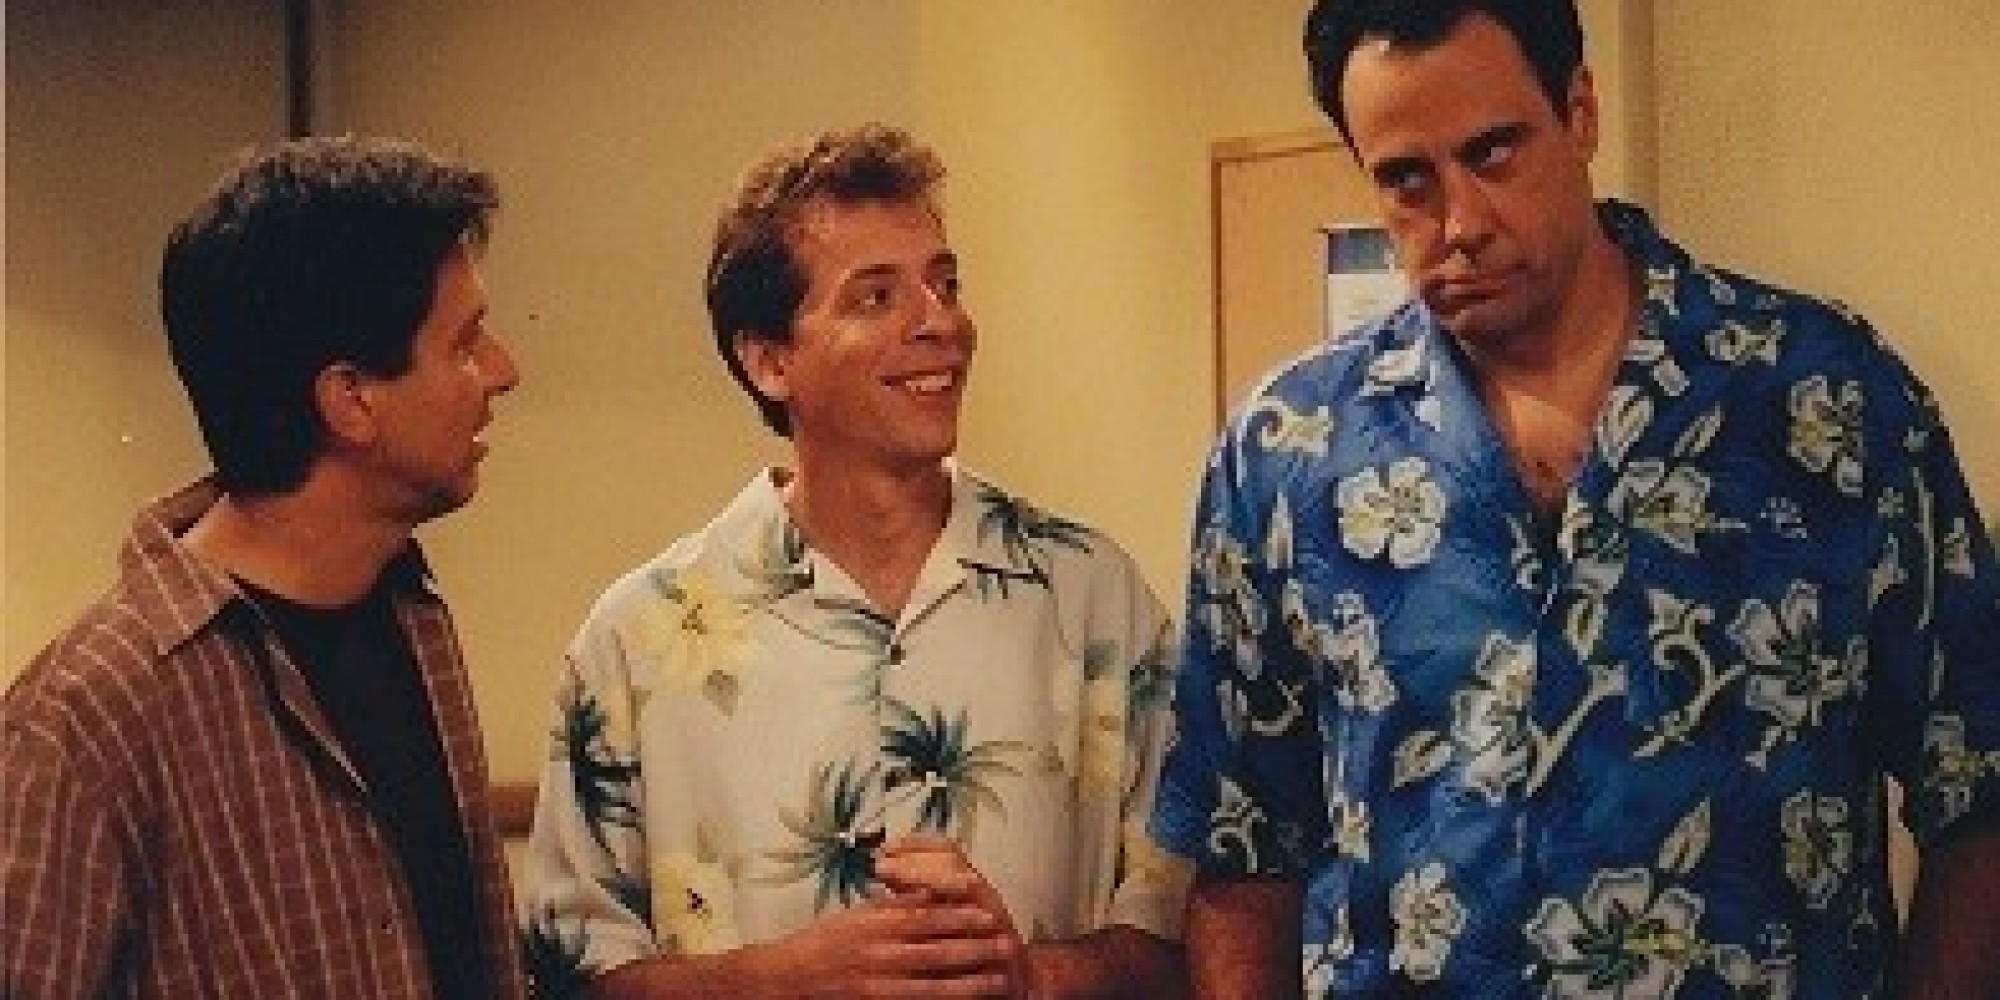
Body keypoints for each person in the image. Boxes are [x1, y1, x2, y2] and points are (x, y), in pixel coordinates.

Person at [1149, 0, 2000, 996]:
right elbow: (1244, 853)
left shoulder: (1822, 402)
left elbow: (1976, 790)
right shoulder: (1289, 450)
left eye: (1493, 152)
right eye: (1407, 179)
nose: (1460, 224)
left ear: (1580, 113)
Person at [520, 122, 1190, 999]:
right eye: (876, 297)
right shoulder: (635, 642)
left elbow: (1188, 937)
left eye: (945, 283)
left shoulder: (1096, 601)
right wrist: (786, 982)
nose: (941, 322)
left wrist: (1031, 977)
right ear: (769, 362)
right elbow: (572, 975)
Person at [0, 135, 526, 998]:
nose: (505, 370)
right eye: (465, 343)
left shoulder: (412, 613)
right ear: (350, 399)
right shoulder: (88, 719)